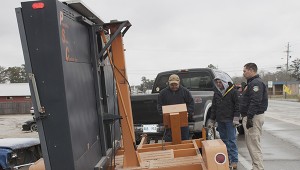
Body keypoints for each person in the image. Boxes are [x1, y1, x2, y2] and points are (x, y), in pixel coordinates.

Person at [207, 75, 240, 169]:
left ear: (225, 82)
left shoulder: (233, 91)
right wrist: (212, 120)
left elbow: (237, 105)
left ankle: (234, 161)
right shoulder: (216, 93)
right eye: (217, 82)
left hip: (230, 120)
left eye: (220, 82)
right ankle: (227, 159)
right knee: (223, 141)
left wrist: (236, 118)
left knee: (232, 141)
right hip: (220, 120)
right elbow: (214, 107)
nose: (218, 84)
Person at [240, 63, 268, 170]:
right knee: (251, 144)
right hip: (252, 116)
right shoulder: (252, 83)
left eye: (244, 71)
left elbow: (255, 101)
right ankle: (256, 166)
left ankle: (258, 168)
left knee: (254, 144)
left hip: (254, 117)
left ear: (251, 70)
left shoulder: (256, 83)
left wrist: (250, 117)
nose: (243, 73)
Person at [157, 74, 194, 142]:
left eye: (176, 85)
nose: (174, 86)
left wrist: (188, 112)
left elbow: (191, 103)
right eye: (172, 85)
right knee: (169, 140)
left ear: (179, 83)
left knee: (184, 140)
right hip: (169, 122)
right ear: (168, 83)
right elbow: (159, 106)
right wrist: (164, 114)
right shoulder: (163, 93)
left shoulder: (185, 92)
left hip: (182, 122)